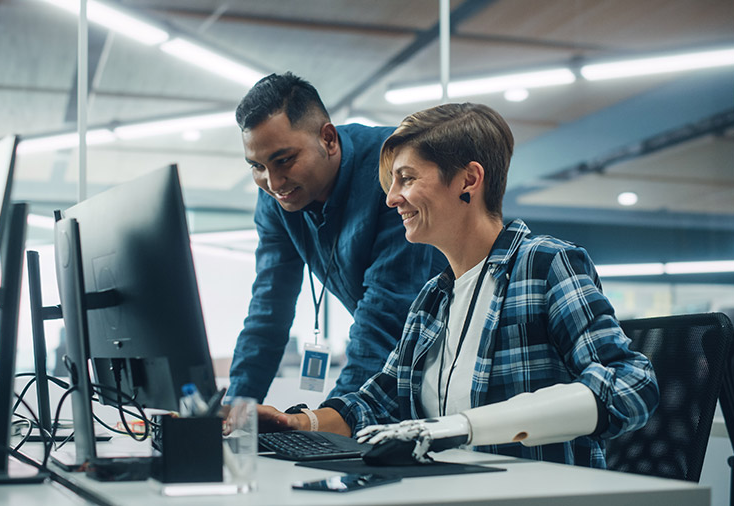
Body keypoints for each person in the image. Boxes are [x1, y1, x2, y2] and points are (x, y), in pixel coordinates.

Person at [257, 103, 659, 468]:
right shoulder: (432, 299)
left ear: (469, 180)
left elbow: (631, 384)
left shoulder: (544, 265)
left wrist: (464, 426)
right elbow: (379, 400)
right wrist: (298, 423)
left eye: (407, 178)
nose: (391, 199)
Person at [227, 72, 446, 402]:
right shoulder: (278, 199)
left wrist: (330, 418)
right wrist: (236, 408)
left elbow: (386, 312)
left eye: (283, 160)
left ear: (328, 139)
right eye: (256, 166)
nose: (273, 183)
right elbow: (268, 306)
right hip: (396, 359)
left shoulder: (394, 171)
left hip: (452, 357)